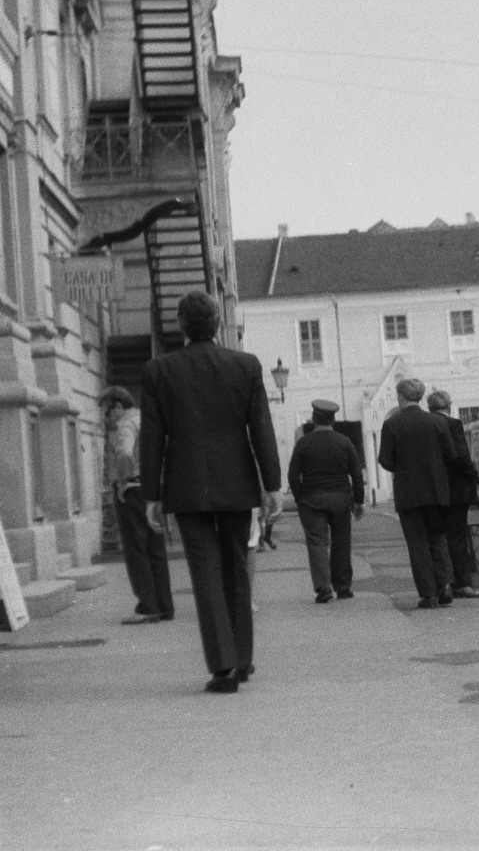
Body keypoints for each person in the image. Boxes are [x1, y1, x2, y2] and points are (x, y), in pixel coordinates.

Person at [140, 291, 281, 694]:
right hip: (237, 481)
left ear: (181, 326)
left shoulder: (158, 370)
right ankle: (243, 657)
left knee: (203, 570)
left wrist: (152, 493)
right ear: (218, 324)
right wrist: (272, 485)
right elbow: (261, 429)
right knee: (237, 564)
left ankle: (223, 666)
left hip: (185, 484)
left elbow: (153, 438)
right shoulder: (245, 365)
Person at [378, 378, 463, 609]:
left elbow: (385, 460)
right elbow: (451, 455)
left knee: (417, 543)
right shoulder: (437, 422)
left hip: (409, 493)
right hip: (437, 491)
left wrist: (404, 468)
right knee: (438, 537)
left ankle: (429, 594)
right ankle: (445, 584)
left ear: (401, 397)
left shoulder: (392, 424)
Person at [103, 387, 173, 626]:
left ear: (118, 407)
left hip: (133, 490)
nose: (107, 419)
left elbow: (123, 454)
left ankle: (147, 606)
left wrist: (122, 483)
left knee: (136, 550)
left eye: (107, 412)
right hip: (152, 488)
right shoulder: (147, 418)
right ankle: (164, 605)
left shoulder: (125, 425)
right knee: (156, 549)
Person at [287, 399, 365, 604]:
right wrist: (358, 501)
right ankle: (343, 586)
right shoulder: (344, 442)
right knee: (341, 541)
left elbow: (293, 475)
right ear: (334, 419)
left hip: (311, 498)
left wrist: (300, 497)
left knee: (317, 542)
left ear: (313, 419)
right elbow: (356, 474)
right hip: (340, 498)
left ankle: (323, 587)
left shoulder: (303, 443)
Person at [426, 390, 479, 600]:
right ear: (449, 406)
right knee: (457, 538)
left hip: (434, 491)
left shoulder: (427, 425)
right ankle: (462, 583)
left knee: (438, 537)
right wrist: (475, 476)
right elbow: (461, 455)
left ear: (430, 407)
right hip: (456, 490)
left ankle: (444, 582)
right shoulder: (452, 424)